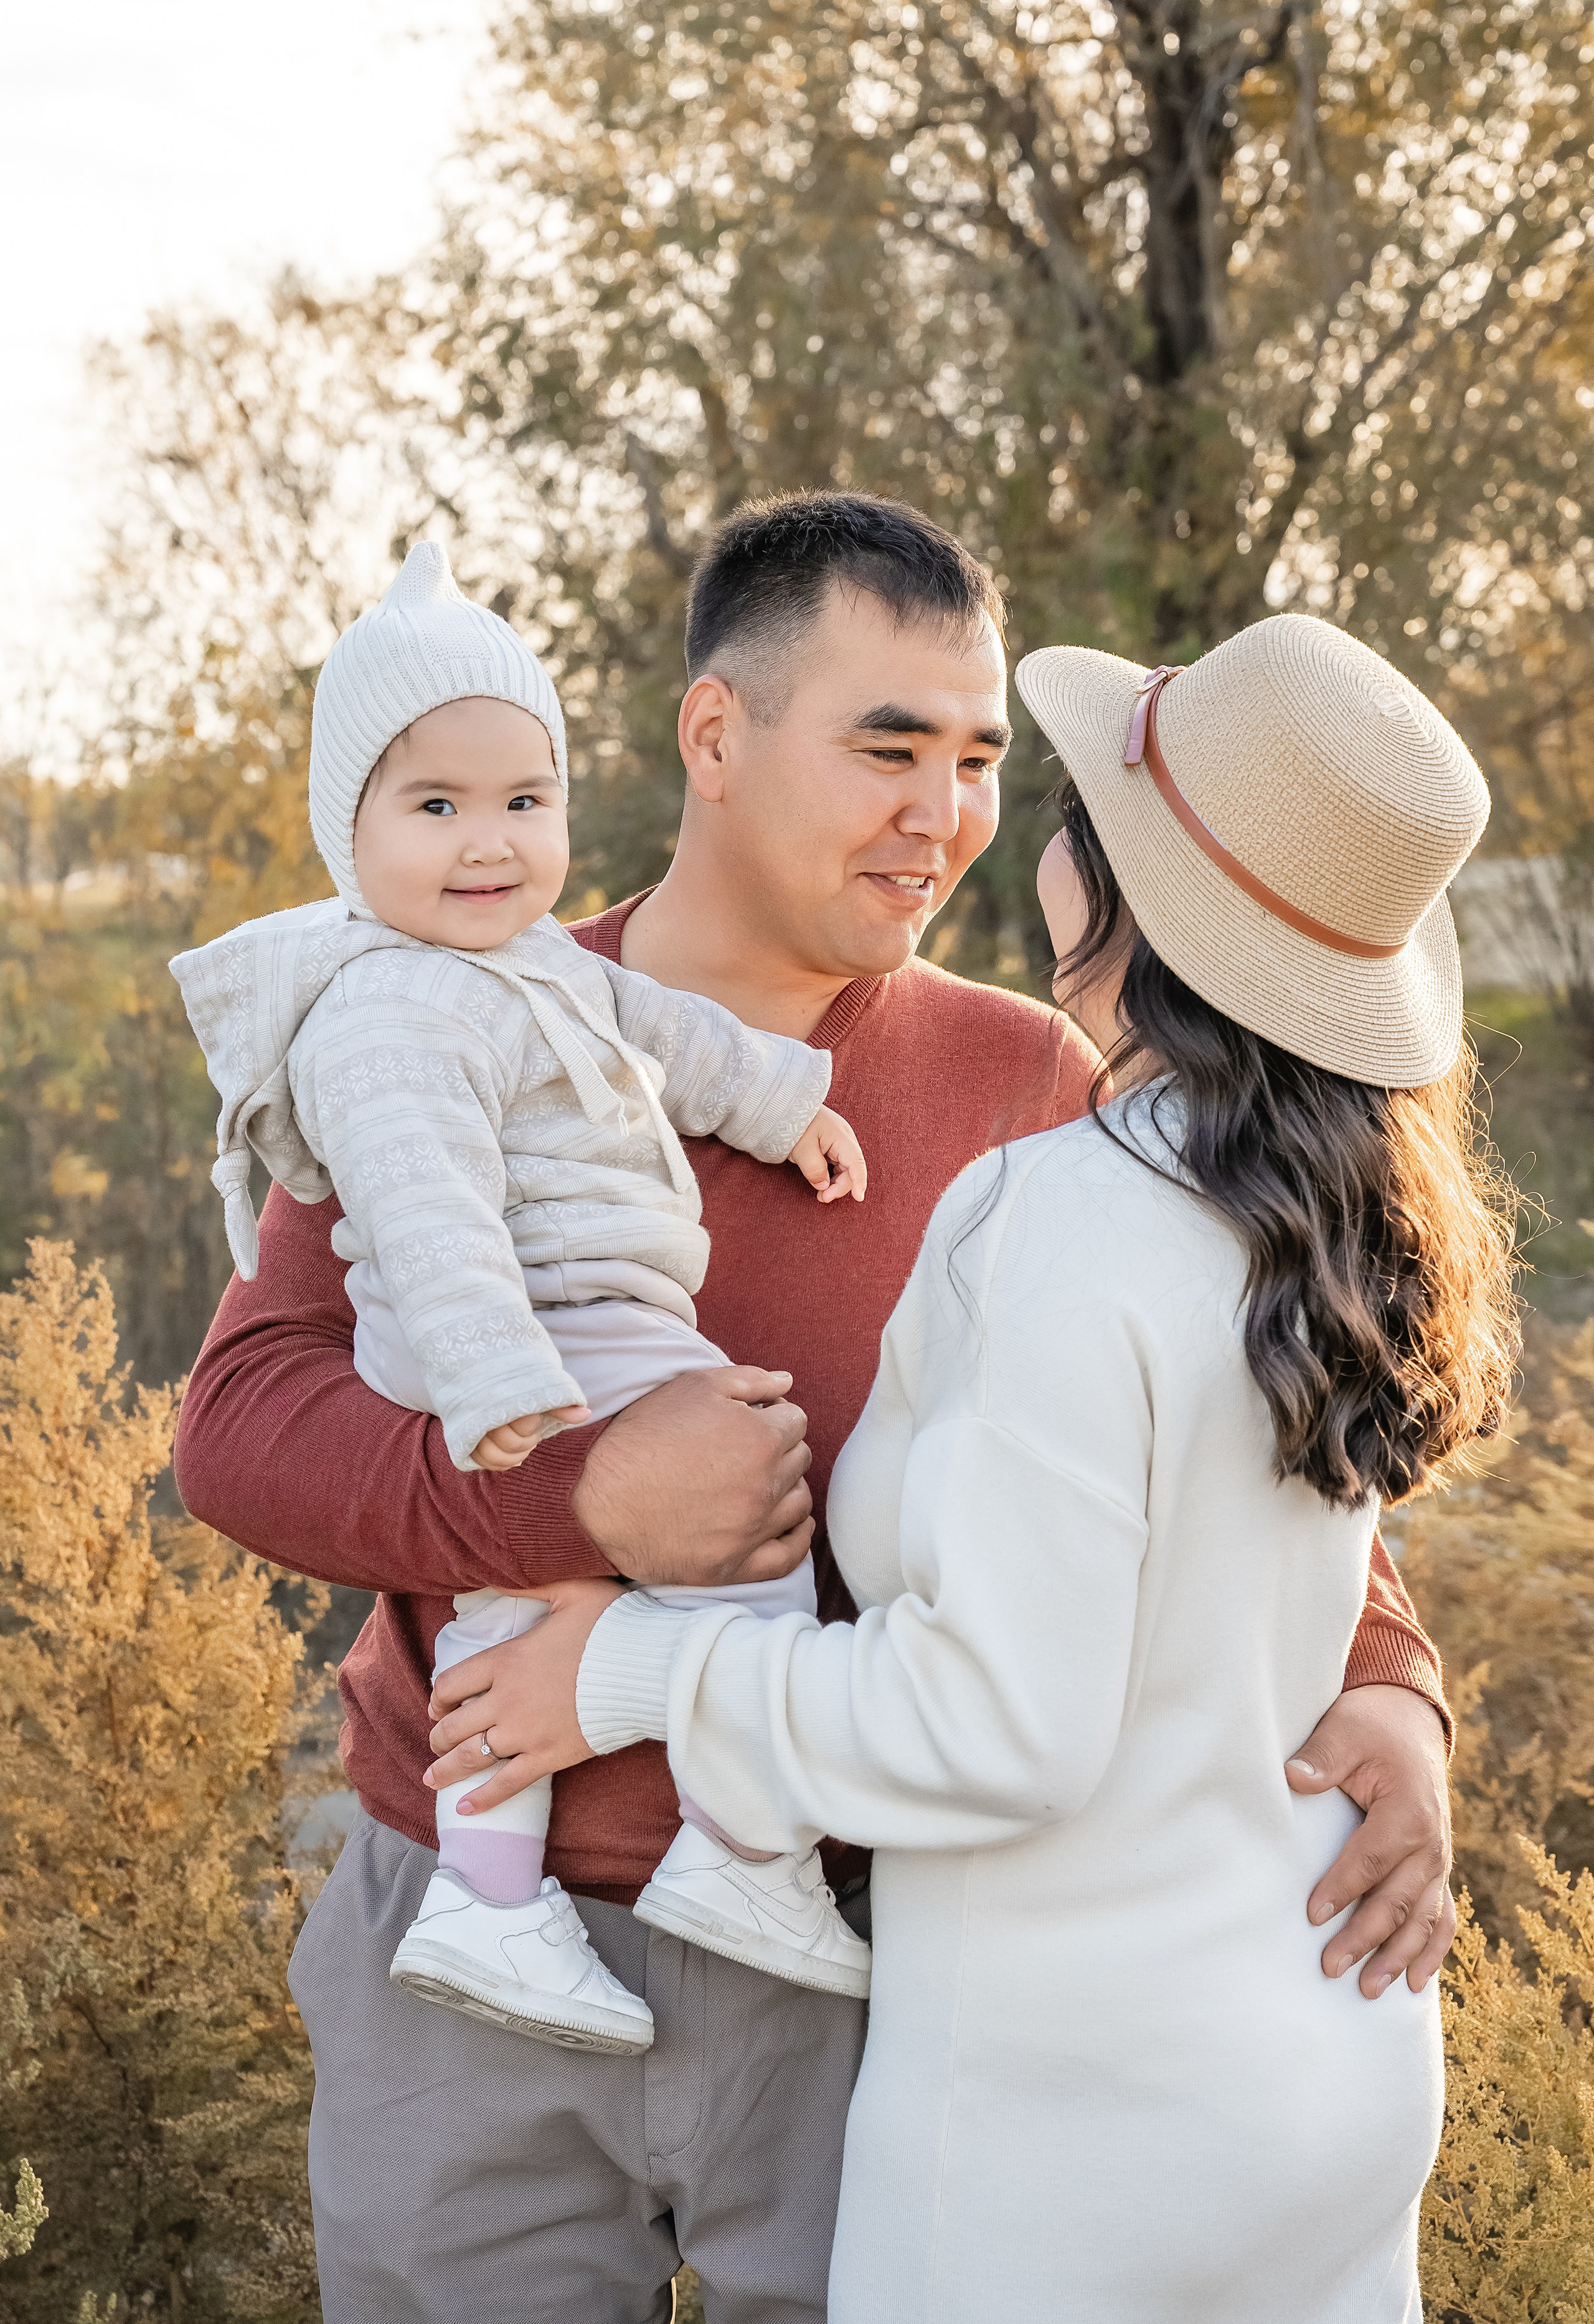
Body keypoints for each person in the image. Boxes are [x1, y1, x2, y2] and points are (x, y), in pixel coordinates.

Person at [175, 496, 1459, 2323]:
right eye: (887, 749)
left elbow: (1232, 1415)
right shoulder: (456, 1007)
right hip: (472, 1936)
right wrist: (593, 1506)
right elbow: (242, 1426)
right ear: (714, 735)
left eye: (979, 760)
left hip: (859, 1951)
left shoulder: (1033, 1077)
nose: (940, 815)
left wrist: (1388, 1686)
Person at [171, 540, 872, 2053]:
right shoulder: (388, 1008)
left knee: (516, 1613)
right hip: (542, 1328)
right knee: (756, 1535)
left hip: (557, 1321)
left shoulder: (537, 961)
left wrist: (780, 1106)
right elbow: (426, 1221)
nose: (488, 843)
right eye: (435, 808)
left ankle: (493, 1912)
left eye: (522, 800)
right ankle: (746, 1856)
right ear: (344, 836)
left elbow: (675, 1040)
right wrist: (505, 1398)